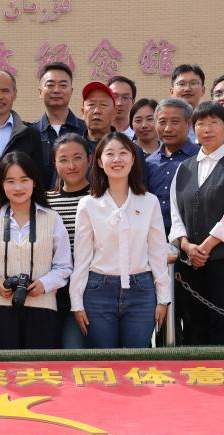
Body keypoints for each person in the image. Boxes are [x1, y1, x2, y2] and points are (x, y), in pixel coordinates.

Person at [71, 132, 169, 348]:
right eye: (110, 154)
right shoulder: (88, 204)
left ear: (133, 159)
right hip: (98, 291)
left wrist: (163, 298)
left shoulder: (149, 201)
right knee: (103, 361)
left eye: (123, 153)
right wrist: (76, 302)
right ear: (99, 161)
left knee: (137, 360)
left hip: (142, 291)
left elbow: (157, 253)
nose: (117, 159)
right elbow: (82, 257)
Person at [169, 102, 224, 346]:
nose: (207, 129)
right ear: (193, 128)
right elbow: (176, 213)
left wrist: (204, 248)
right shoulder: (183, 168)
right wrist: (186, 246)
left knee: (223, 324)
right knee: (193, 324)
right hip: (189, 261)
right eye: (201, 123)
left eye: (214, 123)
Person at [0, 152, 72, 349]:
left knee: (39, 367)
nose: (18, 187)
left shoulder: (52, 218)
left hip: (43, 309)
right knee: (1, 368)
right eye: (10, 181)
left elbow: (64, 266)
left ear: (34, 182)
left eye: (24, 180)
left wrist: (44, 284)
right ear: (1, 184)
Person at [47, 133, 91, 349]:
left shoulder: (101, 198)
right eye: (63, 160)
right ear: (54, 164)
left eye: (77, 158)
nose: (71, 166)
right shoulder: (46, 202)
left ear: (89, 160)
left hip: (91, 290)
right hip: (55, 292)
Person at [145, 98, 199, 237]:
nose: (168, 128)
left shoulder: (201, 158)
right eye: (162, 122)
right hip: (154, 237)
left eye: (175, 122)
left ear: (189, 123)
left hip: (191, 239)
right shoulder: (148, 163)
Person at [33, 62, 86, 188]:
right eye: (50, 85)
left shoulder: (86, 130)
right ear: (40, 92)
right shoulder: (30, 134)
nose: (56, 90)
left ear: (71, 92)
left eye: (63, 85)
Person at [170, 64, 206, 144]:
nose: (187, 89)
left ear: (203, 90)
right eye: (182, 84)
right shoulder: (162, 124)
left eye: (193, 83)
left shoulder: (210, 123)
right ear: (172, 91)